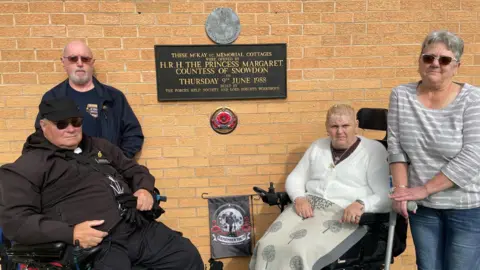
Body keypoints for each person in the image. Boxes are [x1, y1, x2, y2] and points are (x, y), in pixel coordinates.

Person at [1, 97, 203, 269]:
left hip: (135, 228)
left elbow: (135, 170)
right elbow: (15, 221)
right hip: (95, 244)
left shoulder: (99, 146)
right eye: (61, 124)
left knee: (186, 255)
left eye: (76, 121)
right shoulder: (29, 166)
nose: (71, 129)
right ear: (44, 127)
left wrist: (144, 189)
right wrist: (70, 233)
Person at [250, 104, 390, 270]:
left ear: (356, 125)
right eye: (334, 126)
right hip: (307, 208)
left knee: (299, 251)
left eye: (346, 126)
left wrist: (361, 204)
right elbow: (295, 177)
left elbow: (385, 195)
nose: (340, 132)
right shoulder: (318, 146)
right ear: (326, 128)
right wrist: (299, 197)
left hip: (341, 215)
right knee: (266, 245)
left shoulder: (373, 150)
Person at [388, 30, 480, 270]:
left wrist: (424, 189)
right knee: (428, 267)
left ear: (456, 66)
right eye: (428, 58)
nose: (435, 64)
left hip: (467, 206)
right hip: (423, 208)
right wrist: (401, 190)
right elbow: (396, 148)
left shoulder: (474, 99)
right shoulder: (401, 95)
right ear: (420, 61)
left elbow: (473, 156)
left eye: (444, 60)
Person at [34, 40, 143, 159]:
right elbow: (42, 135)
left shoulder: (113, 97)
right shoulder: (53, 97)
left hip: (107, 171)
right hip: (67, 172)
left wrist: (118, 161)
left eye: (85, 59)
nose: (80, 63)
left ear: (92, 62)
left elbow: (133, 134)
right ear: (63, 62)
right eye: (73, 59)